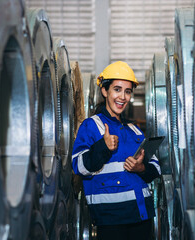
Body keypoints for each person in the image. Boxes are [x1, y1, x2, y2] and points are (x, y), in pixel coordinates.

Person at [72, 61, 161, 240]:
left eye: (127, 91)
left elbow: (156, 167)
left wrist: (140, 168)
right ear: (105, 91)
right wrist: (103, 147)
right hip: (112, 219)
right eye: (117, 89)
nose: (122, 96)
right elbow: (79, 166)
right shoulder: (92, 126)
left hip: (142, 216)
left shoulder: (134, 130)